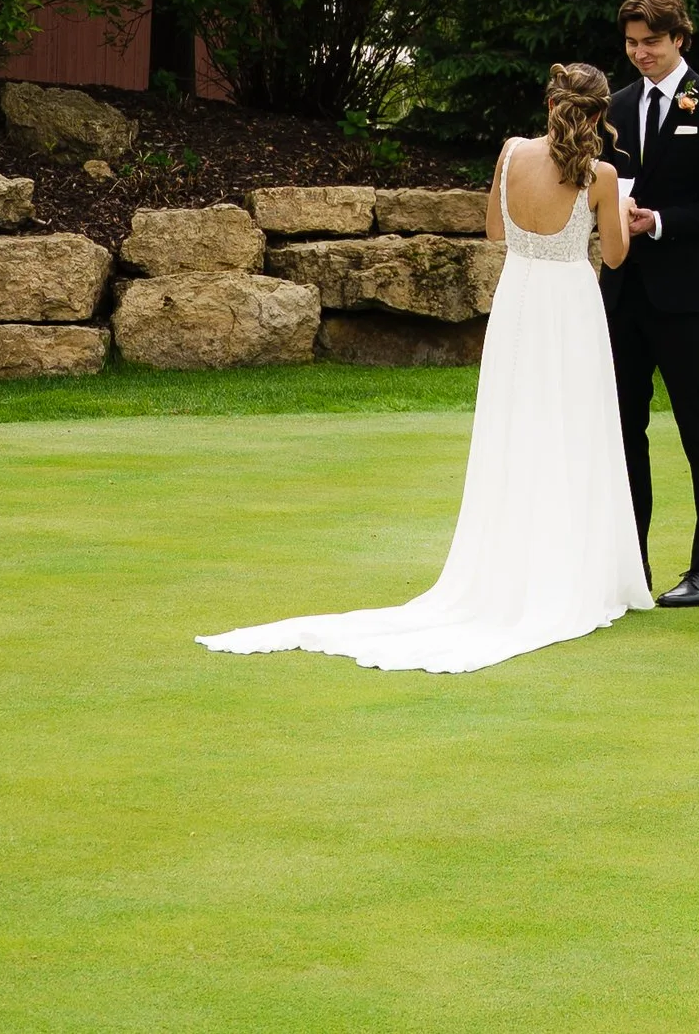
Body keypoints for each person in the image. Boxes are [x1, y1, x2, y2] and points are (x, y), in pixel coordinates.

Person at [196, 62, 653, 675]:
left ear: (550, 103)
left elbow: (495, 230)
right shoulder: (600, 175)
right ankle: (570, 573)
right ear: (600, 116)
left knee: (516, 434)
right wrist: (622, 213)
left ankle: (513, 569)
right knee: (573, 433)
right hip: (570, 309)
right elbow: (617, 258)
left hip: (518, 306)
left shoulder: (511, 152)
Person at [600, 0, 699, 608]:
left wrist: (658, 222)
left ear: (679, 38)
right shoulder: (613, 106)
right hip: (621, 292)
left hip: (683, 296)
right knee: (623, 431)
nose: (640, 53)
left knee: (698, 428)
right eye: (632, 43)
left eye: (651, 42)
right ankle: (630, 564)